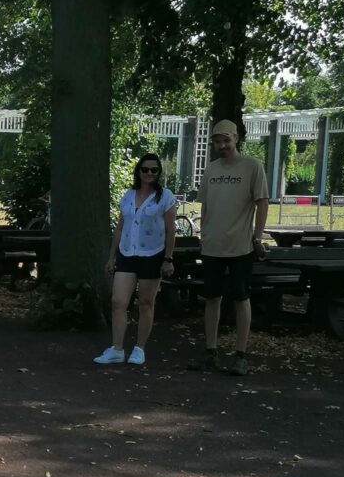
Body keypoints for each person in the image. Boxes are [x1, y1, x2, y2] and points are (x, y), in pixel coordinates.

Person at [189, 119, 268, 376]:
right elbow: (205, 204)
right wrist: (203, 233)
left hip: (241, 246)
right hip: (212, 246)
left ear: (236, 139)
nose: (222, 145)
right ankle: (211, 352)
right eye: (217, 141)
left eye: (226, 140)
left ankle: (241, 355)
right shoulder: (211, 169)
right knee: (212, 298)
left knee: (241, 298)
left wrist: (257, 237)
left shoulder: (252, 167)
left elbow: (262, 202)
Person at [94, 153, 177, 366]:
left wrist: (168, 258)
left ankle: (139, 348)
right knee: (118, 301)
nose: (149, 173)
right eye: (145, 169)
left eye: (154, 170)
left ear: (159, 173)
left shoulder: (165, 196)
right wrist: (112, 256)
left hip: (152, 254)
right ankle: (117, 348)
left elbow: (170, 229)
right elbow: (121, 226)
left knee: (146, 303)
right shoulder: (129, 195)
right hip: (127, 252)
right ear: (138, 171)